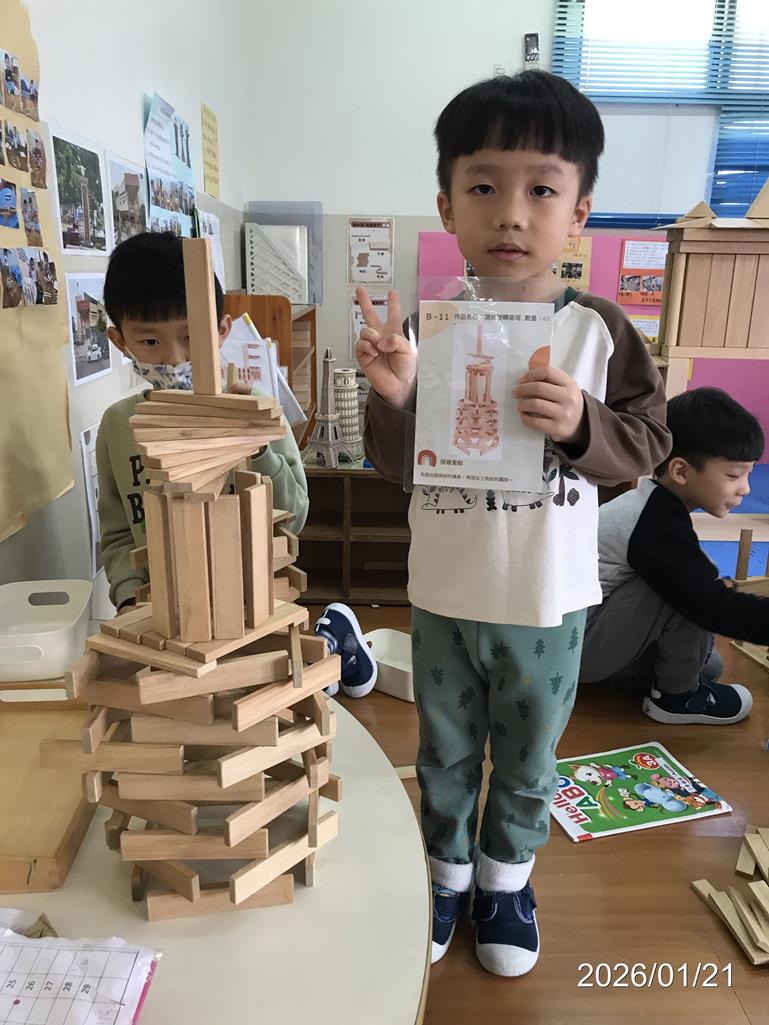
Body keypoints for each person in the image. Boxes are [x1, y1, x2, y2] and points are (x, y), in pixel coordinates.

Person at [355, 70, 671, 977]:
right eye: (484, 186)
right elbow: (395, 462)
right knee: (445, 746)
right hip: (445, 590)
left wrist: (581, 423)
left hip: (547, 595)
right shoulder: (430, 326)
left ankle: (504, 881)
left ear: (579, 212)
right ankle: (444, 874)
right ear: (446, 206)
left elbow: (649, 442)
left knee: (530, 751)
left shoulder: (598, 330)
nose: (510, 213)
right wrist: (396, 398)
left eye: (541, 189)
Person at [97, 231, 309, 611]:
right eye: (150, 342)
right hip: (160, 607)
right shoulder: (118, 425)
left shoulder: (256, 409)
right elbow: (118, 535)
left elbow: (294, 516)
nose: (174, 358)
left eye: (191, 336)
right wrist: (129, 595)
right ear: (120, 340)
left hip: (251, 602)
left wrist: (255, 444)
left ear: (221, 330)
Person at [580, 387, 764, 725]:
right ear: (680, 471)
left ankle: (648, 682)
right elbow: (707, 604)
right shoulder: (652, 522)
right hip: (578, 649)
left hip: (591, 635)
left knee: (709, 664)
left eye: (749, 474)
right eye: (734, 475)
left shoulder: (656, 507)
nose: (746, 488)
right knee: (688, 592)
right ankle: (676, 700)